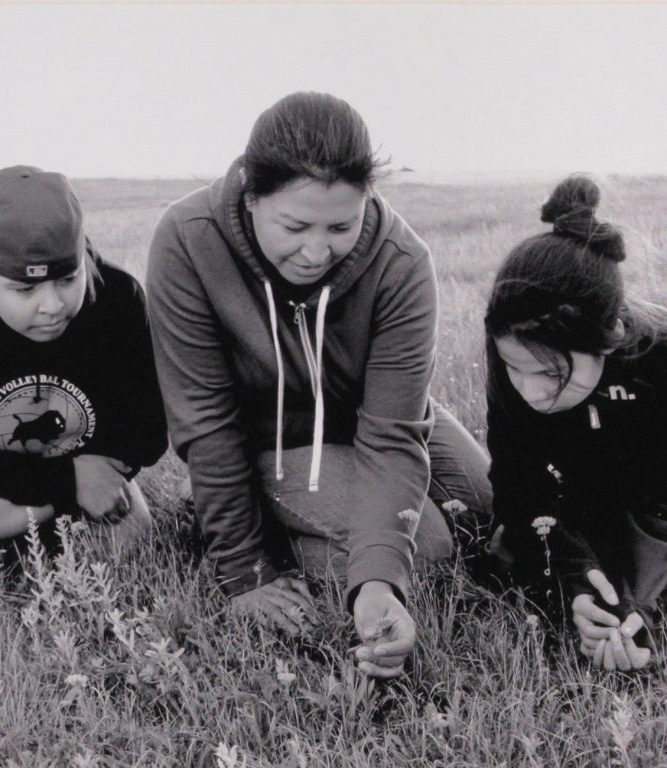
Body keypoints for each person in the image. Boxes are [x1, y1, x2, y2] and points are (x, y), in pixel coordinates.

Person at [147, 91, 492, 678]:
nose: (315, 251)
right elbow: (205, 422)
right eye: (294, 225)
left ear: (368, 200)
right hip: (263, 440)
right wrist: (246, 569)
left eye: (340, 226)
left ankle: (319, 522)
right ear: (251, 196)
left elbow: (393, 433)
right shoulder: (187, 238)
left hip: (361, 420)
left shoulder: (403, 261)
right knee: (430, 552)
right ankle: (234, 515)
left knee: (484, 511)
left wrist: (378, 582)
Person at [0, 165, 168, 609]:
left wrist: (39, 508)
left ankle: (31, 561)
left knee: (128, 539)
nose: (52, 305)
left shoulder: (119, 299)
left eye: (68, 278)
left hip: (75, 490)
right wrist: (57, 488)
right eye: (24, 289)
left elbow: (147, 432)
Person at [485, 174, 667, 671]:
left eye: (551, 374)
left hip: (653, 510)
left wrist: (641, 588)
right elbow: (518, 488)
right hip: (576, 508)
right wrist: (576, 583)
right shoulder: (513, 355)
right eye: (514, 368)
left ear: (611, 337)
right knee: (512, 549)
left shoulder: (658, 360)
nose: (530, 391)